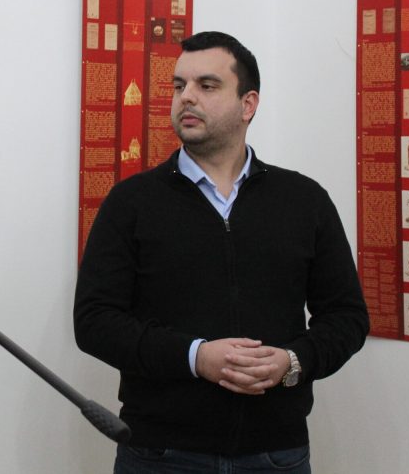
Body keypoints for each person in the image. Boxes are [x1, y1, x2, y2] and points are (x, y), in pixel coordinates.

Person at [74, 32, 369, 474]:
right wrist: (195, 357)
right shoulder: (132, 202)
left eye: (207, 85)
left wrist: (293, 361)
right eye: (179, 85)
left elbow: (347, 317)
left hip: (276, 454)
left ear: (248, 104)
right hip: (160, 454)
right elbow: (94, 321)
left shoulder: (303, 200)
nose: (186, 97)